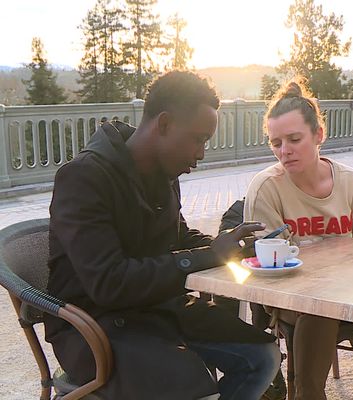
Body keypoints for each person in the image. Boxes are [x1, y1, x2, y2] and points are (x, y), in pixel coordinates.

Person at [45, 71, 281, 400]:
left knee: (263, 355)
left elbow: (178, 235)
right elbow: (108, 283)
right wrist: (208, 256)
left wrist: (232, 247)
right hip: (93, 325)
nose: (201, 154)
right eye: (198, 139)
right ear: (165, 124)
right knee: (190, 382)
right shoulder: (83, 178)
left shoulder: (163, 174)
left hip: (155, 310)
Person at [244, 80, 353, 400]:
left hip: (350, 289)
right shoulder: (267, 187)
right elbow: (265, 265)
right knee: (319, 308)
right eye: (276, 142)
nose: (285, 151)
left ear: (319, 135)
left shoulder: (352, 183)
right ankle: (307, 395)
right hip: (294, 298)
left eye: (294, 139)